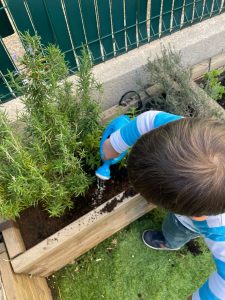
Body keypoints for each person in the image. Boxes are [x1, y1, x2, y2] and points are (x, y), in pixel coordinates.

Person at [103, 110, 225, 300]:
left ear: (195, 212)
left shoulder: (219, 233)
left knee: (175, 230)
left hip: (188, 224)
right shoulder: (184, 135)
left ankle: (170, 243)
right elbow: (149, 119)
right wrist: (112, 146)